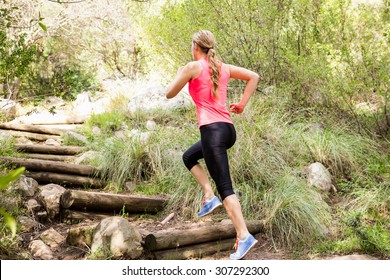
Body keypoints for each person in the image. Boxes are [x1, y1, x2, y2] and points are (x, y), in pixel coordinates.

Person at [165, 30, 260, 260]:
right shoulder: (223, 67)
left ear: (195, 46)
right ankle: (209, 195)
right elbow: (254, 76)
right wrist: (242, 104)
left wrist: (181, 73)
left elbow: (169, 93)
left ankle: (244, 235)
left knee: (226, 188)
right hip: (227, 131)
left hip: (212, 132)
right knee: (189, 157)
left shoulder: (192, 67)